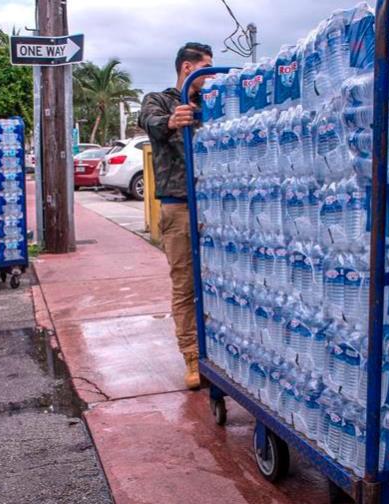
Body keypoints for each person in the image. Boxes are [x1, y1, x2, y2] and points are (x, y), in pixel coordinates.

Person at [138, 43, 213, 389]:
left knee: (217, 283)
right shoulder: (160, 100)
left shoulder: (213, 103)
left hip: (216, 206)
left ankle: (220, 350)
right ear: (187, 67)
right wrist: (171, 121)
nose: (210, 75)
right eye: (206, 67)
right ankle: (192, 357)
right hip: (179, 205)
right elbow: (150, 122)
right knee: (185, 284)